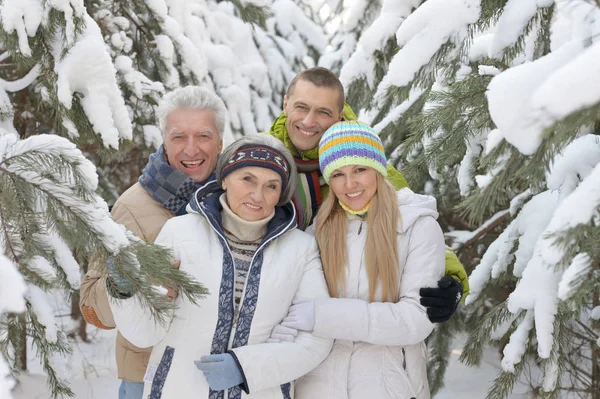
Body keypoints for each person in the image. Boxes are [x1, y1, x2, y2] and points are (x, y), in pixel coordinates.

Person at [108, 134, 333, 399]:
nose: (257, 195)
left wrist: (246, 368)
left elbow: (315, 338)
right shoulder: (179, 233)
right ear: (225, 178)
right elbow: (145, 333)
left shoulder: (300, 249)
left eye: (271, 186)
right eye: (247, 179)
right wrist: (127, 293)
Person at [267, 66, 469, 322]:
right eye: (301, 107)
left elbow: (407, 216)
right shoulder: (262, 153)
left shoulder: (361, 156)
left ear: (339, 115)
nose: (308, 121)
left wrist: (451, 277)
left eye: (323, 112)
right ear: (286, 103)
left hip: (341, 309)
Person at [270, 121, 445, 398]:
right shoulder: (319, 230)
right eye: (338, 174)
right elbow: (294, 306)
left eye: (359, 170)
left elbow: (415, 320)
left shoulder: (416, 227)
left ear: (377, 169)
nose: (349, 184)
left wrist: (324, 315)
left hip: (389, 386)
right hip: (318, 386)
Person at [79, 86, 226, 399]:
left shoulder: (238, 199)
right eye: (178, 136)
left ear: (220, 141)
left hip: (219, 375)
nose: (191, 149)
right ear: (164, 140)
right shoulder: (132, 207)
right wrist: (131, 285)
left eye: (203, 135)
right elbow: (93, 311)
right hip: (148, 378)